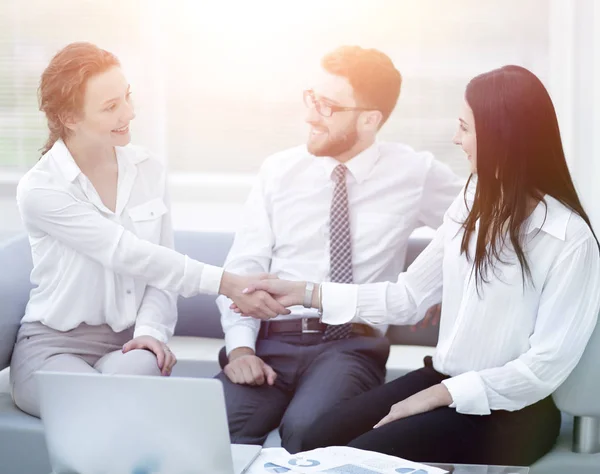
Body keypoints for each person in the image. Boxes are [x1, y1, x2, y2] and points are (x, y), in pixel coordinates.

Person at [241, 65, 600, 465]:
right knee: (314, 438)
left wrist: (440, 396)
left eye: (464, 128)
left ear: (503, 136)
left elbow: (544, 367)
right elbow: (408, 296)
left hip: (512, 410)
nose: (455, 138)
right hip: (444, 379)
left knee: (355, 460)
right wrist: (306, 292)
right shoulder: (473, 202)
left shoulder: (569, 240)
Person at [10, 42, 288, 418]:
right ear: (70, 118)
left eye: (126, 97)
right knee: (92, 407)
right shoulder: (41, 189)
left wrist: (152, 334)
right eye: (110, 108)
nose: (129, 113)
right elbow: (127, 252)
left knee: (135, 386)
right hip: (53, 346)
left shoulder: (149, 169)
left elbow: (160, 276)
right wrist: (227, 282)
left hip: (128, 343)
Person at [216, 45, 463, 453]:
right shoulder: (279, 171)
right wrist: (241, 349)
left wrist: (442, 285)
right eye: (312, 99)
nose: (311, 115)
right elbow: (245, 266)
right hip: (271, 339)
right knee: (216, 426)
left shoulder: (415, 173)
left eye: (328, 106)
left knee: (309, 433)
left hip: (351, 346)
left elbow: (481, 228)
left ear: (370, 119)